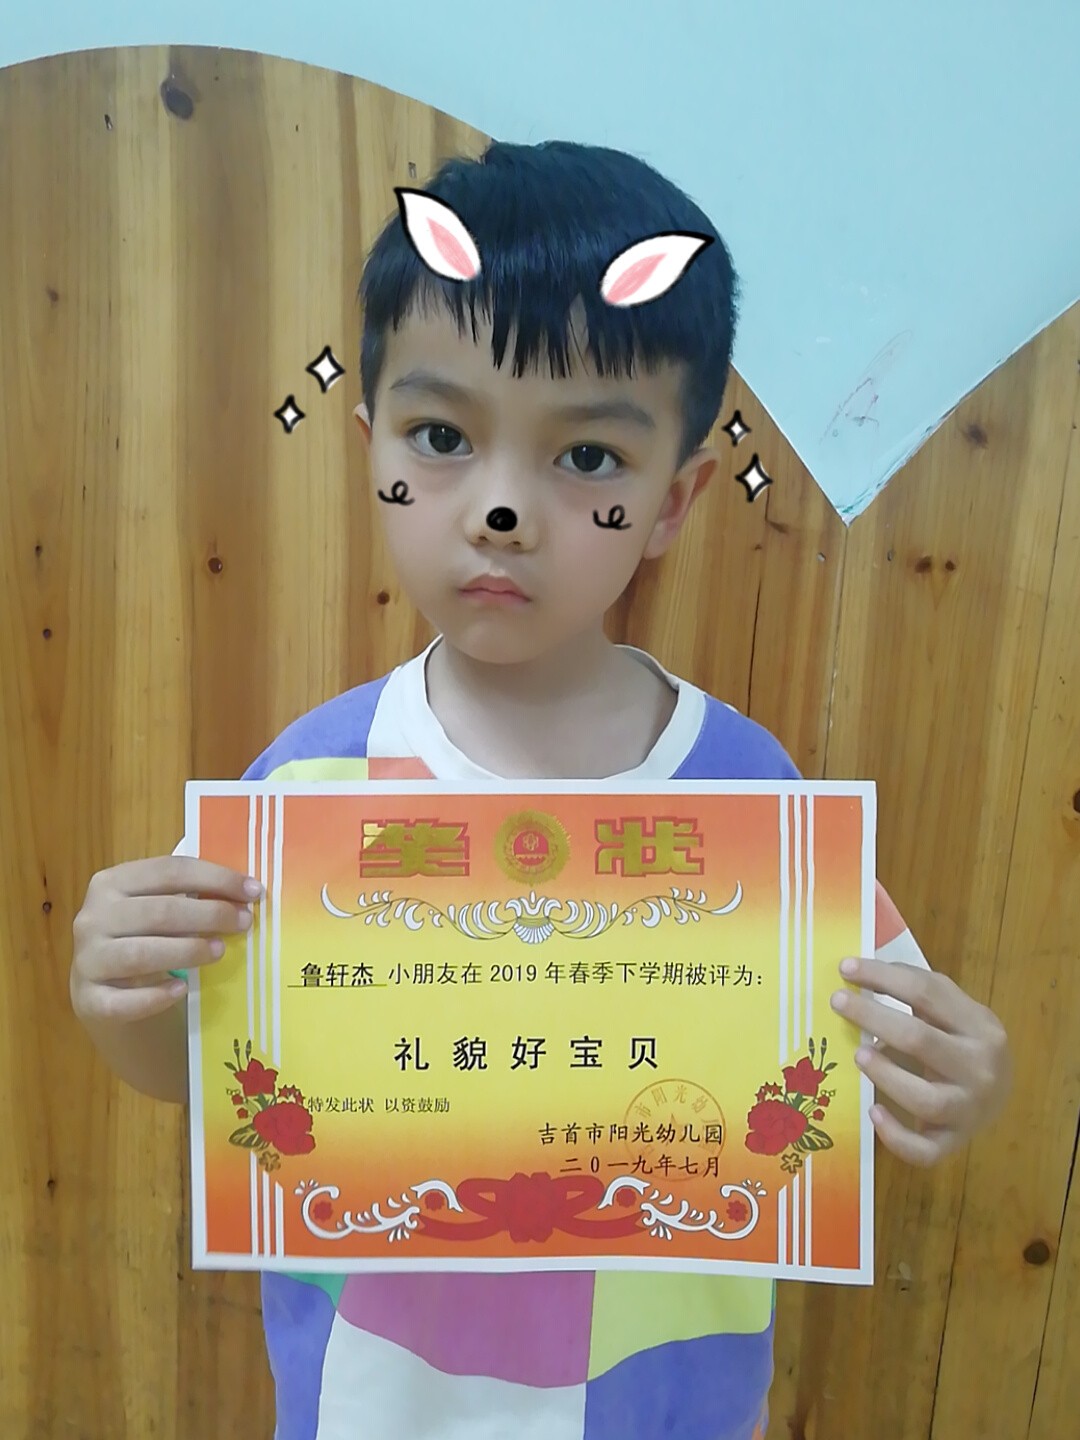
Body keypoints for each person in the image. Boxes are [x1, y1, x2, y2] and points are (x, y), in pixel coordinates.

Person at [70, 139, 1011, 1440]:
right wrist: (122, 990)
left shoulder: (752, 798)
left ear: (675, 500)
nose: (500, 509)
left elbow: (877, 1055)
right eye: (442, 438)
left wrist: (961, 1081)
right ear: (374, 452)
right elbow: (199, 1071)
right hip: (372, 1405)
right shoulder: (307, 787)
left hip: (662, 1405)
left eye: (589, 459)